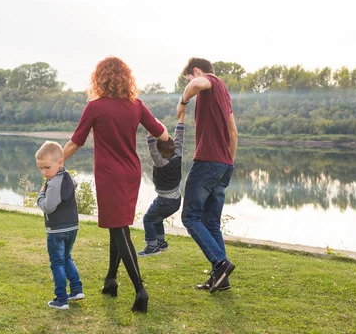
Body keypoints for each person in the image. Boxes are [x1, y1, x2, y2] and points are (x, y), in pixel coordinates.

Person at [63, 56, 169, 313]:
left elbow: (77, 141)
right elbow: (162, 134)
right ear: (125, 78)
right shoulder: (137, 106)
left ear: (99, 78)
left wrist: (56, 162)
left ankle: (140, 290)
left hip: (109, 175)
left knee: (119, 228)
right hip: (131, 172)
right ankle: (111, 280)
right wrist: (169, 145)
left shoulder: (95, 107)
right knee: (116, 226)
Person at [177, 57, 238, 293]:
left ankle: (220, 264)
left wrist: (183, 103)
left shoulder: (209, 81)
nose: (190, 82)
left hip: (207, 163)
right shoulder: (225, 95)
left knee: (190, 217)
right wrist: (229, 164)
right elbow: (234, 133)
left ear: (195, 71)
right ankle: (222, 279)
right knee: (211, 222)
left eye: (188, 78)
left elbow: (196, 85)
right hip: (224, 164)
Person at [35, 140, 84, 310]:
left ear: (60, 161)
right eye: (41, 168)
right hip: (72, 227)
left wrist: (40, 196)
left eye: (47, 168)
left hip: (57, 230)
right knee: (66, 257)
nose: (43, 172)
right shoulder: (67, 176)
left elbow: (48, 207)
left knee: (57, 263)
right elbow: (73, 186)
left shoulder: (54, 182)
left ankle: (61, 299)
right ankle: (77, 289)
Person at [137, 110, 185, 257]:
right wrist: (181, 116)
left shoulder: (161, 163)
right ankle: (161, 243)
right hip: (176, 200)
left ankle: (152, 247)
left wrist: (150, 127)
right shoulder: (178, 154)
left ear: (159, 152)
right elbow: (179, 136)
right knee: (156, 218)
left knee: (148, 219)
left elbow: (151, 147)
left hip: (164, 201)